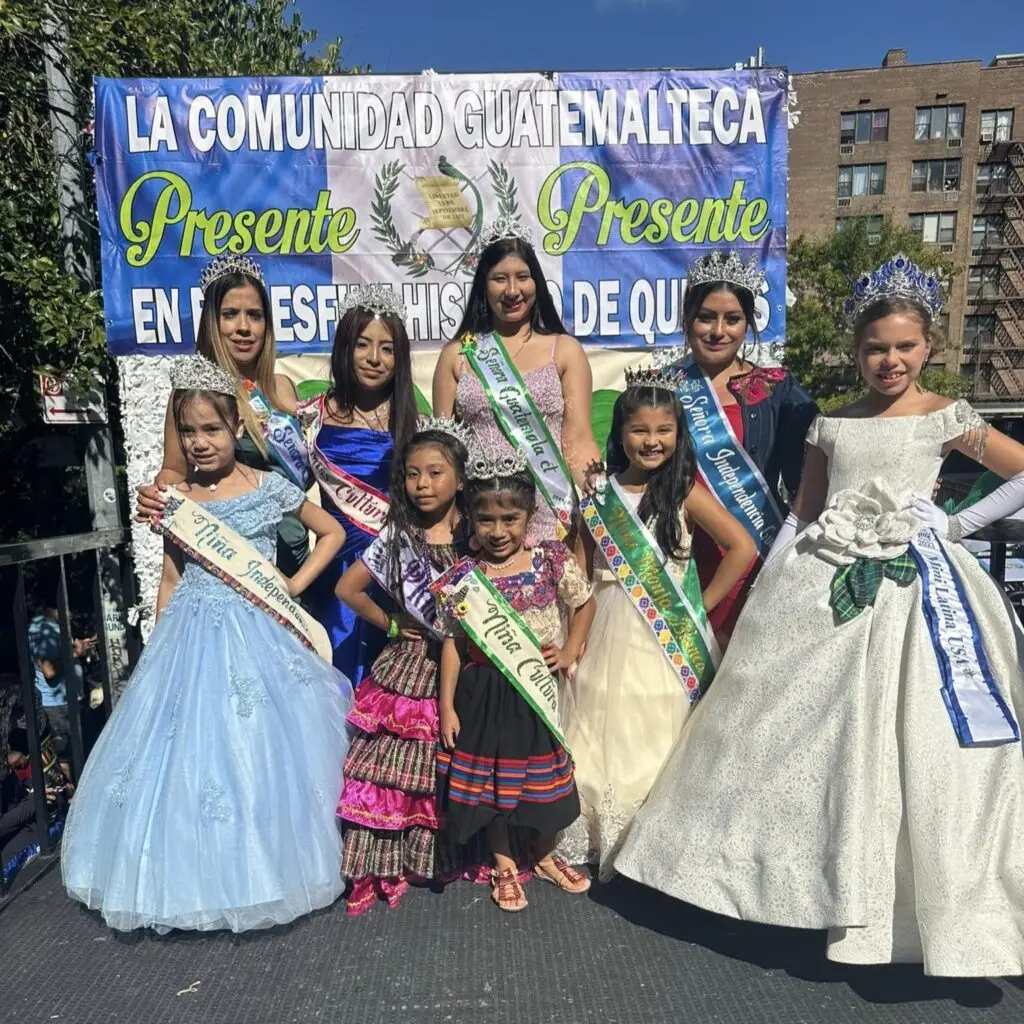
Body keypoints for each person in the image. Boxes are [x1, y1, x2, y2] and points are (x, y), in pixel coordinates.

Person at [615, 253, 1024, 978]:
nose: (889, 360)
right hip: (823, 583)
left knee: (911, 744)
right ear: (856, 351)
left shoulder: (947, 416)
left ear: (927, 346)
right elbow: (801, 518)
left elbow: (1018, 471)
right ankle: (777, 885)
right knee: (789, 734)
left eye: (903, 346)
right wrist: (772, 593)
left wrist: (958, 527)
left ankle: (905, 909)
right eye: (875, 348)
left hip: (915, 590)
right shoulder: (831, 424)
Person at [62, 355, 353, 934]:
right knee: (188, 757)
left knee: (262, 753)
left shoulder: (270, 487)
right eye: (188, 431)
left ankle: (267, 868)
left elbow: (333, 531)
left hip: (260, 630)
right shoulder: (178, 500)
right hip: (191, 635)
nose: (199, 443)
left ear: (237, 429)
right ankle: (187, 875)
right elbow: (172, 576)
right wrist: (159, 641)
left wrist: (292, 586)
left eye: (211, 429)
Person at [559, 367, 756, 878]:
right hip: (604, 626)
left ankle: (657, 845)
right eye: (640, 430)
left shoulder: (683, 491)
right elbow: (578, 571)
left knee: (658, 729)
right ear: (621, 433)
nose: (651, 441)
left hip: (668, 636)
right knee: (599, 728)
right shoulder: (597, 494)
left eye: (663, 430)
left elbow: (743, 548)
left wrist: (703, 607)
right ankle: (603, 835)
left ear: (678, 433)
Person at [434, 451, 596, 912]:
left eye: (510, 518)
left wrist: (569, 651)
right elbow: (451, 642)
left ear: (530, 517)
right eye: (485, 519)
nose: (498, 531)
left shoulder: (549, 559)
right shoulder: (464, 578)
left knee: (542, 777)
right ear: (470, 519)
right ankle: (504, 862)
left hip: (536, 691)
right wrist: (446, 706)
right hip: (483, 692)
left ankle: (543, 853)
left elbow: (584, 604)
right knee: (492, 782)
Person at [334, 418, 476, 915]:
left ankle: (444, 851)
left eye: (435, 473)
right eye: (413, 474)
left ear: (460, 478)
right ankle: (392, 855)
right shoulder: (399, 536)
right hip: (411, 667)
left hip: (467, 666)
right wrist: (392, 624)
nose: (422, 484)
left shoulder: (477, 532)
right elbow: (347, 589)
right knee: (395, 769)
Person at [651, 250, 818, 639]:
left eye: (732, 319)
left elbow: (815, 467)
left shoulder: (778, 389)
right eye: (706, 317)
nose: (718, 331)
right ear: (687, 319)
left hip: (757, 551)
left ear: (748, 324)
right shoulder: (659, 387)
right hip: (681, 554)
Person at [135, 255, 309, 577]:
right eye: (230, 314)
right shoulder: (194, 393)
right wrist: (158, 497)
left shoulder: (283, 388)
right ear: (212, 322)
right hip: (240, 559)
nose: (244, 327)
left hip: (297, 556)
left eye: (255, 316)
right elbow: (174, 471)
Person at [432, 214, 602, 542]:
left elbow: (579, 440)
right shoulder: (458, 354)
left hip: (549, 512)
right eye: (500, 279)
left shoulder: (565, 350)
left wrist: (603, 497)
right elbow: (443, 450)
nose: (512, 290)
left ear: (536, 282)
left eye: (522, 277)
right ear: (484, 284)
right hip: (481, 519)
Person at [301, 284, 418, 680]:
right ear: (344, 348)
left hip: (393, 568)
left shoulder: (410, 420)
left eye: (387, 348)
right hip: (334, 566)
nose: (374, 358)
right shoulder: (315, 415)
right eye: (363, 345)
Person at [26, 601, 96, 759]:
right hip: (58, 705)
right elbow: (49, 670)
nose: (72, 614)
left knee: (77, 752)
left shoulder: (53, 625)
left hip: (67, 701)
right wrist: (75, 652)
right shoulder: (42, 629)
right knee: (67, 757)